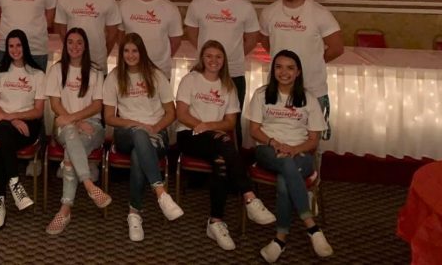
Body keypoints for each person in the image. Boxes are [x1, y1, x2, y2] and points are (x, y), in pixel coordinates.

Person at [175, 40, 275, 251]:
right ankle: (249, 196)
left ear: (224, 61)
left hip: (216, 140)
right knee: (224, 142)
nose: (213, 60)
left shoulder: (228, 85)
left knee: (221, 161)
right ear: (202, 58)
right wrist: (204, 127)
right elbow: (181, 114)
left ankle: (215, 221)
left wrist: (210, 127)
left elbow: (230, 122)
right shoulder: (190, 79)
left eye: (218, 57)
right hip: (189, 135)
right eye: (209, 56)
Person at [247, 50, 333, 262]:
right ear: (273, 70)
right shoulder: (261, 94)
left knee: (286, 178)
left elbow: (314, 140)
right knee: (285, 165)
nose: (283, 72)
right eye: (279, 67)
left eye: (290, 68)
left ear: (298, 72)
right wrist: (275, 143)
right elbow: (254, 130)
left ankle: (280, 239)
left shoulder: (309, 99)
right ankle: (311, 227)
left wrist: (294, 149)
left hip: (300, 154)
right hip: (268, 150)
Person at [103, 33, 183, 242]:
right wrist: (138, 125)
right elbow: (109, 117)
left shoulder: (156, 75)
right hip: (125, 133)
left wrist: (154, 128)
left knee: (140, 153)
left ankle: (134, 213)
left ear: (142, 52)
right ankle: (160, 192)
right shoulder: (114, 77)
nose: (130, 55)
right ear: (121, 54)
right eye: (126, 51)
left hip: (156, 133)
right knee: (139, 135)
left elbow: (171, 113)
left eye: (134, 51)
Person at [259, 0, 343, 138]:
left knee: (312, 139)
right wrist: (285, 67)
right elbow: (266, 42)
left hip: (312, 87)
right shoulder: (269, 13)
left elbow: (336, 48)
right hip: (279, 87)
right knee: (279, 135)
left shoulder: (320, 14)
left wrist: (311, 63)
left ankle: (311, 166)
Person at [184, 0, 260, 143]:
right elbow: (192, 34)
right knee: (200, 118)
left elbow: (251, 39)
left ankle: (235, 164)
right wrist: (209, 59)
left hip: (233, 73)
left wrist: (229, 58)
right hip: (203, 73)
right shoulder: (198, 4)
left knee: (232, 123)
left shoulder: (244, 7)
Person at [44, 27, 111, 236]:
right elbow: (55, 104)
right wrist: (73, 122)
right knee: (72, 136)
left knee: (70, 152)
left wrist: (75, 119)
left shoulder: (95, 72)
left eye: (79, 42)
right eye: (70, 42)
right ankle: (89, 185)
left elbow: (98, 105)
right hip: (66, 125)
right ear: (65, 46)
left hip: (92, 126)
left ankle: (65, 210)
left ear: (85, 46)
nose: (74, 46)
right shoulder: (56, 70)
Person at [0, 29, 46, 229]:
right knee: (2, 136)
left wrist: (12, 116)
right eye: (11, 46)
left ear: (25, 46)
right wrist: (10, 120)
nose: (14, 50)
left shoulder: (37, 74)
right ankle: (14, 184)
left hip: (27, 125)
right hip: (4, 123)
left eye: (18, 45)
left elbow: (38, 111)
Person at [119, 0, 183, 81]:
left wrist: (160, 58)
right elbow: (120, 37)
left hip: (159, 70)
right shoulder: (123, 5)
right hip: (130, 69)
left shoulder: (170, 8)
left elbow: (176, 41)